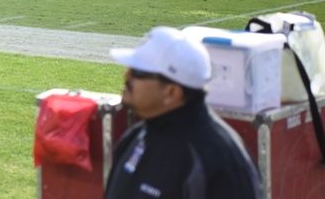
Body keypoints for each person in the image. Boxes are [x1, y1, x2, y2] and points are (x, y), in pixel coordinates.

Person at [105, 26, 262, 199]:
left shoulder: (219, 161)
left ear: (172, 92)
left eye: (138, 72)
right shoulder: (136, 136)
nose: (126, 76)